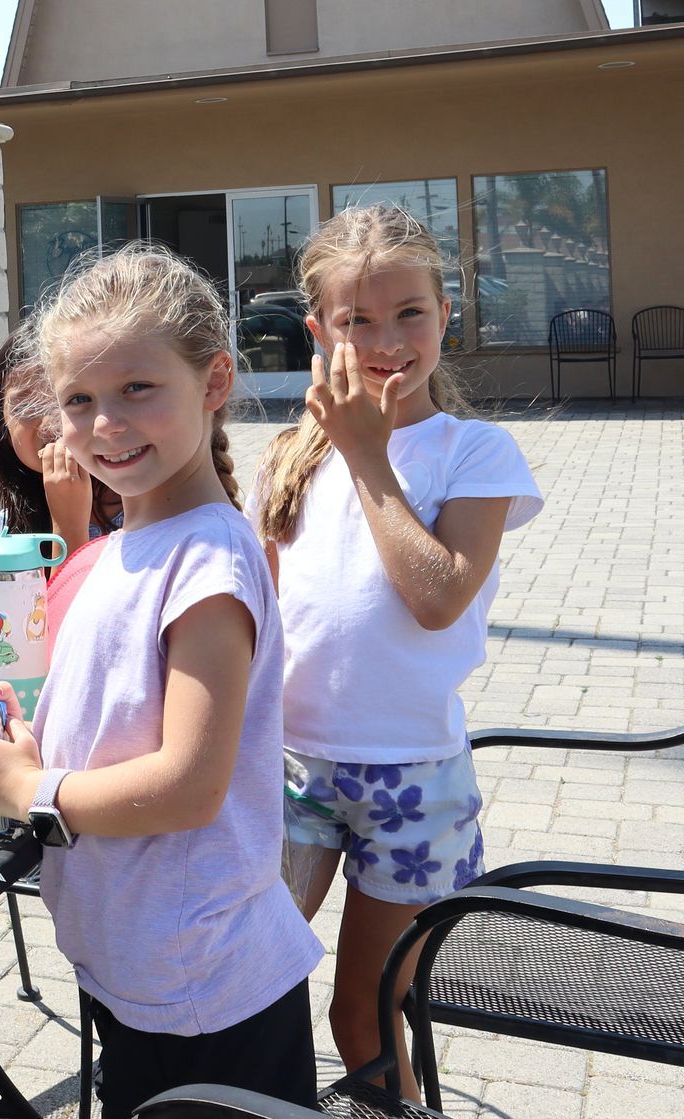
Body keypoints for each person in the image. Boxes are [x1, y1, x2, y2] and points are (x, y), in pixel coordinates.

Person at [0, 244, 324, 1118]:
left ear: (215, 380)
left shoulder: (209, 561)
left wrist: (31, 787)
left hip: (208, 990)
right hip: (144, 963)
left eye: (138, 388)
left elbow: (189, 783)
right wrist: (20, 746)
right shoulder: (120, 544)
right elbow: (112, 719)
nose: (105, 422)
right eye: (79, 399)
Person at [251, 204, 541, 1098]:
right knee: (248, 976)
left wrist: (368, 455)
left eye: (409, 312)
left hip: (412, 780)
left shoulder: (474, 452)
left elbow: (437, 595)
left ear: (445, 314)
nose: (386, 339)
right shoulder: (291, 458)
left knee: (362, 1013)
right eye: (356, 320)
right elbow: (258, 615)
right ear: (319, 332)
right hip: (294, 767)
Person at [0, 333, 121, 554]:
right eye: (28, 407)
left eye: (71, 400)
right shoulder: (9, 523)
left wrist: (69, 527)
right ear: (3, 428)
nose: (49, 425)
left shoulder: (145, 506)